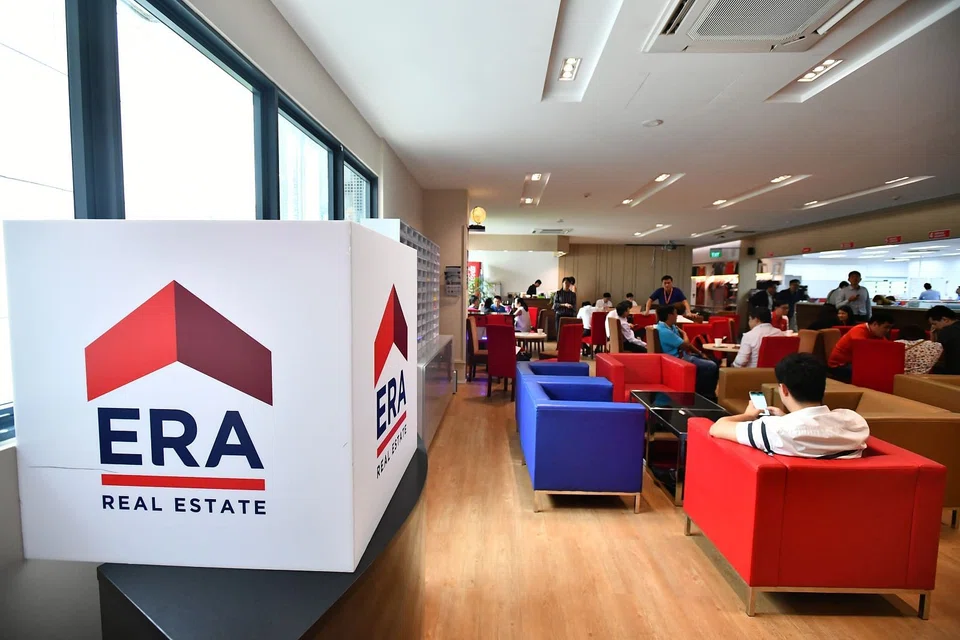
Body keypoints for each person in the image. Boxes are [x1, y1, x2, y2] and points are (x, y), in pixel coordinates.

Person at [709, 353, 869, 459]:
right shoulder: (855, 423)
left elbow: (717, 427)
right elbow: (816, 430)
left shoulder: (773, 430)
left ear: (784, 389)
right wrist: (787, 417)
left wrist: (748, 415)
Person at [656, 306, 718, 401]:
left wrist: (700, 353)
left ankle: (707, 394)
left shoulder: (672, 326)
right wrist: (684, 333)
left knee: (715, 360)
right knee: (711, 366)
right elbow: (686, 345)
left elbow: (688, 345)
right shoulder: (664, 331)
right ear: (669, 315)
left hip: (684, 354)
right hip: (677, 359)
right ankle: (704, 396)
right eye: (675, 313)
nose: (677, 316)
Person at [827, 311, 895, 381]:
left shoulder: (877, 334)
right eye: (886, 327)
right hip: (839, 365)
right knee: (873, 374)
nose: (888, 330)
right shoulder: (859, 331)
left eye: (890, 328)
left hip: (854, 363)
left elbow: (886, 349)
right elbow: (863, 355)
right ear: (875, 324)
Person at [927, 306, 959, 374]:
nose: (934, 327)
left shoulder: (946, 332)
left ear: (945, 319)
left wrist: (932, 334)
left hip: (954, 373)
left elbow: (935, 355)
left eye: (934, 324)